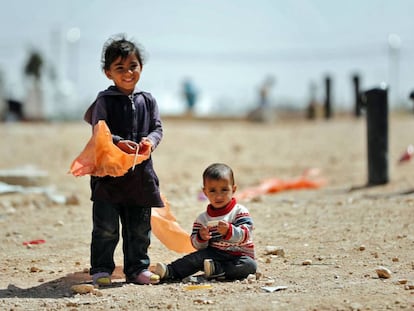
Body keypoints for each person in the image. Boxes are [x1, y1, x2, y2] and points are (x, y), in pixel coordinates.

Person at [83, 34, 163, 286]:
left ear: (140, 67)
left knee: (139, 228)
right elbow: (99, 129)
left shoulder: (148, 100)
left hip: (140, 177)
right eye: (120, 68)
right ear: (108, 73)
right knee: (106, 228)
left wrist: (150, 140)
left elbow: (157, 128)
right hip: (108, 176)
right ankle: (101, 269)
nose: (128, 72)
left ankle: (137, 268)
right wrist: (118, 141)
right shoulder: (104, 100)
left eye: (133, 66)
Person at [155, 163, 257, 282]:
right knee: (195, 258)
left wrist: (230, 231)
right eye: (213, 191)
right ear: (205, 192)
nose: (219, 196)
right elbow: (196, 244)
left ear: (233, 189)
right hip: (213, 254)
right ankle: (170, 271)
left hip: (238, 256)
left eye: (224, 190)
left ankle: (217, 271)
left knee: (250, 265)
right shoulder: (203, 219)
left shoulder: (239, 211)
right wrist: (201, 237)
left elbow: (246, 234)